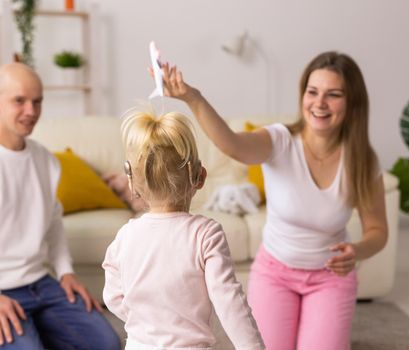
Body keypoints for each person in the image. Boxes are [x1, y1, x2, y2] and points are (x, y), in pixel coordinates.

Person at [159, 51, 388, 350]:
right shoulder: (280, 141)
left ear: (352, 102)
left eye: (333, 95)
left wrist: (356, 250)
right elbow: (232, 144)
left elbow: (377, 231)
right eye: (312, 92)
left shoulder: (362, 161)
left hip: (331, 278)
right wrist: (193, 98)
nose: (319, 103)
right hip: (275, 273)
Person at [0, 63, 120, 350]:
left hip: (41, 283)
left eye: (37, 101)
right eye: (19, 101)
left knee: (108, 344)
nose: (31, 111)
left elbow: (53, 222)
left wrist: (65, 271)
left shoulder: (46, 161)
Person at [102, 108, 265, 350]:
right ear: (200, 177)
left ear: (133, 185)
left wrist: (149, 322)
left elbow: (113, 296)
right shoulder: (205, 234)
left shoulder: (125, 236)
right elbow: (228, 301)